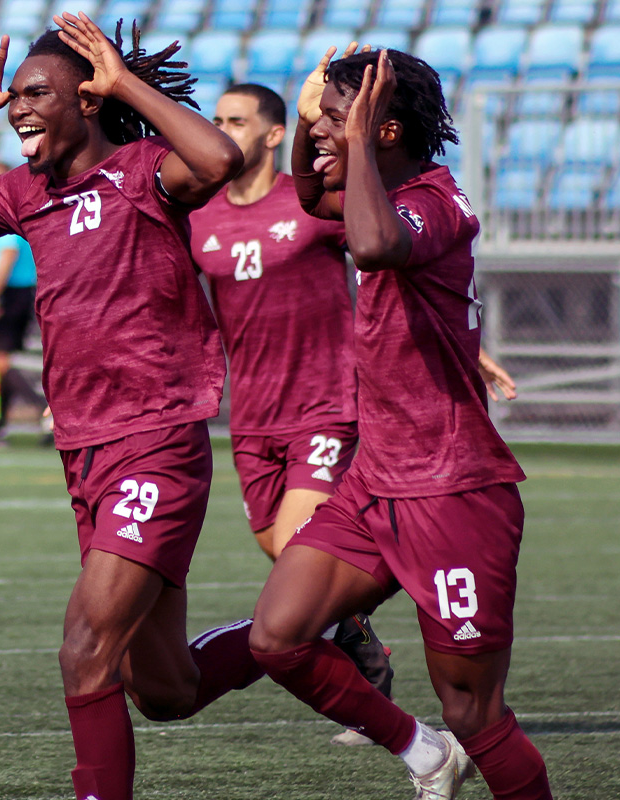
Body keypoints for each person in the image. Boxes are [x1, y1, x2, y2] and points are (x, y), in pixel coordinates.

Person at [0, 14, 266, 800]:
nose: (18, 106)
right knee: (164, 690)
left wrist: (124, 80)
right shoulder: (27, 193)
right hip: (85, 451)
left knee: (85, 649)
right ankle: (301, 633)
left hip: (156, 440)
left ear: (87, 100)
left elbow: (220, 158)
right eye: (14, 95)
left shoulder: (145, 171)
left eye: (35, 93)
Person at [248, 46, 553, 800]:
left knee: (475, 712)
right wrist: (320, 114)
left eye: (334, 117)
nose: (319, 128)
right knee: (277, 638)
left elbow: (373, 243)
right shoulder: (372, 188)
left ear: (384, 132)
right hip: (375, 482)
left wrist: (345, 139)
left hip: (453, 493)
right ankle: (424, 753)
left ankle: (461, 748)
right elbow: (314, 196)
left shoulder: (434, 202)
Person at [189, 82, 394, 745]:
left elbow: (388, 259)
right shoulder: (199, 218)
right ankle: (359, 638)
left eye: (238, 121)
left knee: (296, 557)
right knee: (283, 554)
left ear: (275, 135)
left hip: (325, 406)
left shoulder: (311, 205)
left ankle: (367, 686)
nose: (223, 131)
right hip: (250, 419)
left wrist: (458, 345)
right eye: (216, 121)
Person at [0, 160, 42, 448]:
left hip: (10, 293)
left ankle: (44, 414)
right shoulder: (4, 210)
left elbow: (7, 253)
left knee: (3, 362)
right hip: (12, 292)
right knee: (2, 360)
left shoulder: (6, 212)